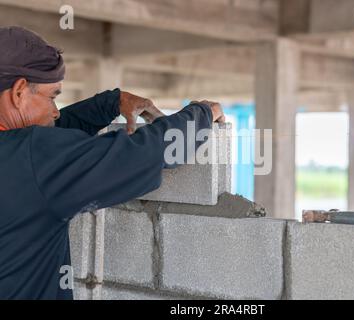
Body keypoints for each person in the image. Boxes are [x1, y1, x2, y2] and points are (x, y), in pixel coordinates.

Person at [0, 26, 225, 300]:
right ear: (19, 92)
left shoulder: (22, 154)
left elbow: (51, 139)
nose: (55, 111)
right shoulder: (35, 157)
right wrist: (201, 114)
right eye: (52, 97)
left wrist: (110, 104)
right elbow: (143, 154)